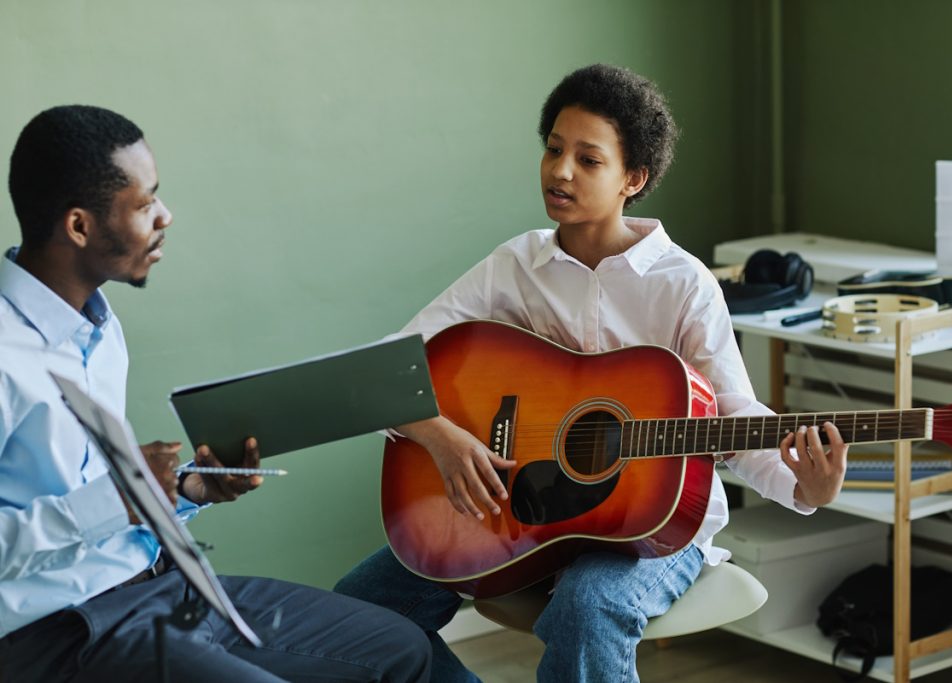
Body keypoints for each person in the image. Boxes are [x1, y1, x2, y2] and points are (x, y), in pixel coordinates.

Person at [334, 64, 848, 682]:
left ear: (634, 178)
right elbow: (383, 365)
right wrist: (440, 436)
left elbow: (732, 417)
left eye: (588, 159)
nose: (560, 171)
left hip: (652, 531)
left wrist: (806, 489)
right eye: (553, 149)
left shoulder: (683, 285)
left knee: (588, 605)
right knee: (355, 613)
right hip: (515, 513)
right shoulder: (515, 266)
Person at [0, 105, 430, 683]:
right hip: (58, 630)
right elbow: (92, 506)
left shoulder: (97, 328)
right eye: (145, 203)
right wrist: (118, 498)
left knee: (399, 647)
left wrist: (185, 490)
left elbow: (90, 494)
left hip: (160, 584)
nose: (166, 216)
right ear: (79, 227)